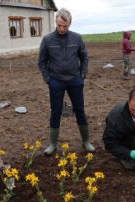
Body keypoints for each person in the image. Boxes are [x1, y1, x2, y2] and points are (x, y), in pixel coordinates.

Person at [38, 8, 95, 155]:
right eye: (59, 26)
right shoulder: (47, 40)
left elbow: (85, 58)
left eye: (65, 26)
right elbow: (42, 62)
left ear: (70, 24)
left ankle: (86, 141)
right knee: (55, 112)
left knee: (80, 110)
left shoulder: (77, 38)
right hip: (56, 81)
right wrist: (48, 79)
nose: (62, 29)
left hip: (75, 81)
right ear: (56, 22)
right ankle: (52, 144)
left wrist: (82, 75)